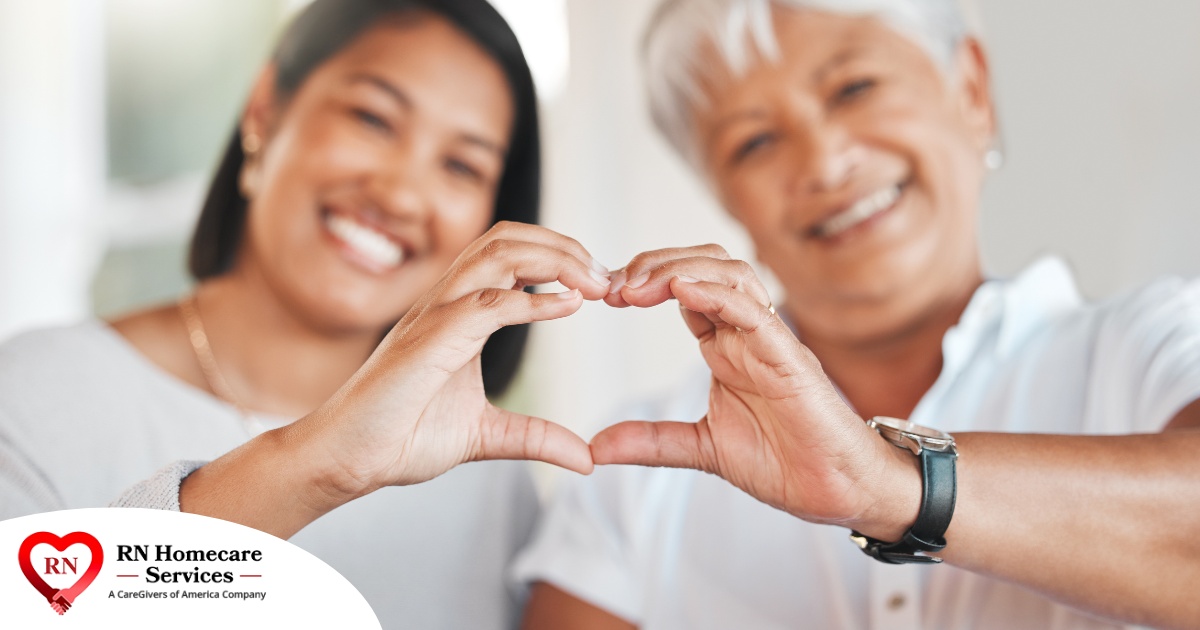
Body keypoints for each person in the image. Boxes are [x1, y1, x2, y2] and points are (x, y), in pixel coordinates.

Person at [515, 1, 1200, 629]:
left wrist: (893, 486)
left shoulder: (1151, 346)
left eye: (853, 88)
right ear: (726, 198)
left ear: (970, 89)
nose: (823, 161)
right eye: (754, 142)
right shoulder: (637, 478)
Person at [0, 0, 607, 627]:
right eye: (372, 118)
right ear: (266, 109)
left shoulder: (486, 481)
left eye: (461, 165)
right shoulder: (36, 396)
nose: (399, 194)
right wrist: (315, 465)